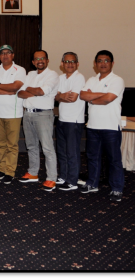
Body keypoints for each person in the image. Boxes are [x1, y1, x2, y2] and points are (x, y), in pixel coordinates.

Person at [80, 50, 125, 202]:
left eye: (106, 61)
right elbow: (83, 95)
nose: (103, 63)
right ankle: (92, 184)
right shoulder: (91, 80)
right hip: (93, 126)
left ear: (112, 63)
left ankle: (117, 189)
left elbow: (109, 99)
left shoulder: (117, 80)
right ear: (95, 63)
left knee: (114, 160)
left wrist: (92, 98)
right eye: (100, 61)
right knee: (92, 157)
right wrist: (101, 95)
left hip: (111, 127)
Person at [17, 50, 59, 191]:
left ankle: (51, 178)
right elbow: (20, 93)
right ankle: (33, 173)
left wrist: (30, 89)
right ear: (33, 62)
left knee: (47, 148)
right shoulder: (30, 74)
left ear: (47, 60)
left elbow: (42, 91)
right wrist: (34, 91)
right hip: (28, 114)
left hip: (43, 115)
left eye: (42, 58)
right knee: (31, 146)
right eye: (37, 59)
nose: (40, 61)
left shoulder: (52, 75)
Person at [0, 45, 26, 184]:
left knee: (12, 145)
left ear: (12, 55)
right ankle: (2, 168)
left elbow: (15, 86)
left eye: (8, 53)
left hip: (13, 113)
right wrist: (6, 91)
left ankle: (10, 171)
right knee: (0, 143)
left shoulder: (20, 70)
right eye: (2, 53)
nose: (5, 55)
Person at [54, 52, 86, 191]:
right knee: (61, 151)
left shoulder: (79, 77)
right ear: (62, 64)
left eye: (73, 61)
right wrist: (61, 96)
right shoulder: (60, 78)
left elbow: (72, 98)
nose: (70, 64)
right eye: (67, 61)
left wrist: (61, 96)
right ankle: (63, 176)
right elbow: (55, 97)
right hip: (61, 119)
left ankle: (72, 181)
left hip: (74, 121)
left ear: (77, 64)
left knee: (72, 152)